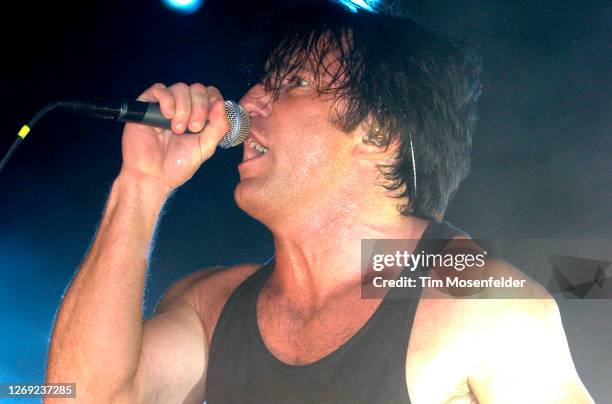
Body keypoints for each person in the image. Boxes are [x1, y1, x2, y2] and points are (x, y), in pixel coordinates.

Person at [45, 1, 593, 403]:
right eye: (260, 82)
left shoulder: (485, 307)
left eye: (295, 82)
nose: (249, 101)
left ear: (379, 134)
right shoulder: (209, 306)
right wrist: (141, 184)